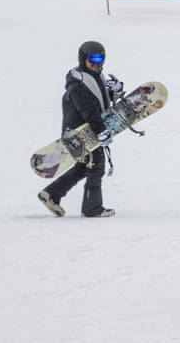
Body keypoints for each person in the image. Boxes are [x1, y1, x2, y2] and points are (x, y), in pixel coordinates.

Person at [37, 41, 122, 218]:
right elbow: (89, 111)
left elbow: (100, 102)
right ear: (83, 59)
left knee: (85, 166)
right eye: (93, 59)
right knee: (96, 165)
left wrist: (115, 92)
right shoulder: (78, 83)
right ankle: (92, 208)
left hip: (88, 131)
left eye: (101, 58)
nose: (97, 63)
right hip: (81, 132)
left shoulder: (95, 77)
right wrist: (101, 131)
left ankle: (51, 194)